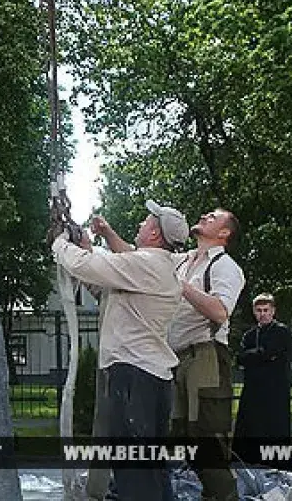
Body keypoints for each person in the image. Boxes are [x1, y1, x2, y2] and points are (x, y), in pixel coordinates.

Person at [52, 200, 190, 501]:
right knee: (151, 467)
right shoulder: (160, 269)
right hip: (152, 378)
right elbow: (107, 286)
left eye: (144, 222)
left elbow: (83, 265)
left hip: (133, 377)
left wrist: (60, 244)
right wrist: (88, 247)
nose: (140, 225)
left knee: (134, 470)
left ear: (154, 234)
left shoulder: (145, 263)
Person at [166, 208, 245, 500]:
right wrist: (105, 235)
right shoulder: (185, 259)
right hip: (180, 359)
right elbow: (141, 259)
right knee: (185, 438)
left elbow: (220, 312)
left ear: (224, 233)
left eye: (213, 217)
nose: (204, 216)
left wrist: (182, 287)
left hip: (206, 356)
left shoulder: (225, 267)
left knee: (207, 439)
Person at [233, 293, 292, 469]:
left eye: (266, 310)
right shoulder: (250, 335)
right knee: (251, 426)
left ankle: (278, 465)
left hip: (276, 389)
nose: (263, 314)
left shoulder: (282, 331)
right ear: (254, 312)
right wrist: (261, 355)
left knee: (275, 428)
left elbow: (271, 352)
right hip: (253, 388)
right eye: (259, 310)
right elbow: (241, 358)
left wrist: (257, 355)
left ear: (273, 311)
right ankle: (249, 463)